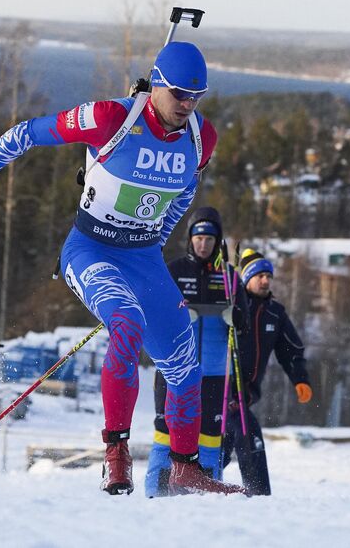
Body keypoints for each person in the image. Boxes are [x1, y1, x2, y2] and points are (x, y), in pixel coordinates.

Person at [0, 42, 246, 496]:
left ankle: (185, 466)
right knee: (127, 323)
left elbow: (182, 196)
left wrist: (156, 241)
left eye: (197, 96)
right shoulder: (110, 118)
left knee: (183, 363)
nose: (187, 104)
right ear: (157, 84)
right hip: (91, 250)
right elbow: (27, 133)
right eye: (178, 93)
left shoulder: (202, 137)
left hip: (143, 257)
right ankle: (115, 455)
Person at [144, 206, 250, 496]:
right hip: (174, 370)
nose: (203, 244)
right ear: (190, 239)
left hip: (215, 372)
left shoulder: (229, 277)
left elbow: (244, 324)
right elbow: (152, 313)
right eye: (198, 238)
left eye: (210, 239)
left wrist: (235, 316)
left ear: (218, 242)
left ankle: (207, 495)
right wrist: (178, 315)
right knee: (165, 435)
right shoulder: (175, 270)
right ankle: (154, 492)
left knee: (210, 439)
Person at [222, 249, 312, 495]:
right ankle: (258, 496)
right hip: (219, 395)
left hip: (245, 397)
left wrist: (300, 380)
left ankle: (205, 485)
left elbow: (291, 350)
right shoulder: (233, 305)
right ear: (247, 278)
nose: (265, 281)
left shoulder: (276, 313)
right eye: (259, 275)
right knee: (247, 435)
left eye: (268, 276)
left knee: (224, 445)